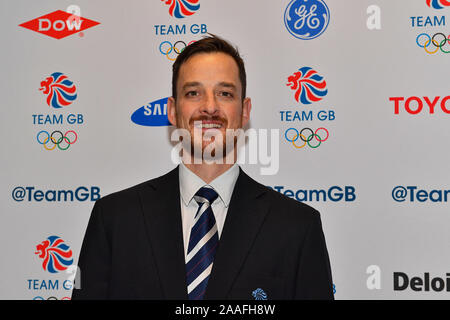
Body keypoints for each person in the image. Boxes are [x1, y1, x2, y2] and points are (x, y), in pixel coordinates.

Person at [71, 34, 334, 300]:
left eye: (225, 93)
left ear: (245, 111)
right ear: (172, 111)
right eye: (194, 93)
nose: (209, 107)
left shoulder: (297, 226)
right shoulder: (115, 219)